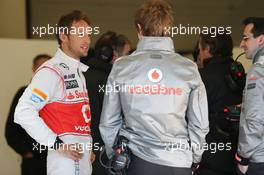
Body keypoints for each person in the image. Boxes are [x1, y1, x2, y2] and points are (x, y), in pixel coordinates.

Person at [99, 1, 209, 175]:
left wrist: (115, 155)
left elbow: (109, 121)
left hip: (136, 162)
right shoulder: (188, 68)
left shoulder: (122, 67)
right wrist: (194, 157)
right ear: (169, 28)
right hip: (178, 161)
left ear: (139, 29)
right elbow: (199, 123)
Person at [14, 10, 94, 175]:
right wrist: (57, 144)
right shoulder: (52, 70)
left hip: (80, 159)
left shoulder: (78, 71)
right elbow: (23, 111)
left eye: (88, 34)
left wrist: (87, 147)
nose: (87, 40)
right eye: (80, 34)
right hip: (65, 163)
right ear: (63, 37)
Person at [194, 33, 243, 175]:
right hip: (238, 157)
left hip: (209, 159)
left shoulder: (201, 78)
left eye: (200, 49)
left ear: (208, 48)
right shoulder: (241, 76)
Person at [84, 31, 131, 175]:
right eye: (127, 53)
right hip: (107, 158)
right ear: (113, 55)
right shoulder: (115, 82)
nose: (130, 59)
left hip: (82, 156)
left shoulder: (82, 76)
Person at [5, 54, 51, 175]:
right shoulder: (23, 94)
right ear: (33, 69)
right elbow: (11, 130)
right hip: (33, 163)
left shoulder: (59, 96)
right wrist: (26, 153)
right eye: (41, 67)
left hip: (55, 160)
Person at [235, 17, 264, 175]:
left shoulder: (258, 71)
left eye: (246, 38)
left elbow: (255, 118)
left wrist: (243, 157)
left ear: (261, 39)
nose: (241, 44)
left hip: (258, 159)